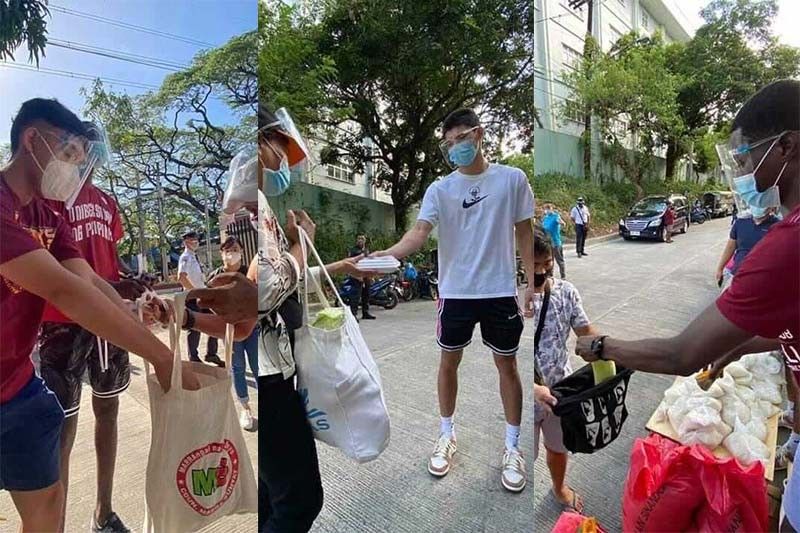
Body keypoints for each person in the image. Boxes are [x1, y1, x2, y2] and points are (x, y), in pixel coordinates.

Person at [575, 79, 800, 532]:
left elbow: (681, 354)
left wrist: (602, 346)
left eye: (745, 157)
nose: (742, 172)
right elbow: (786, 327)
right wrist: (735, 348)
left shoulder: (789, 243)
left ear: (787, 148)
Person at [0, 99, 200, 533]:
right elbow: (61, 290)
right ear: (32, 140)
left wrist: (131, 307)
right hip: (43, 348)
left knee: (46, 499)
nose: (74, 169)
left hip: (13, 382)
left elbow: (87, 279)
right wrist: (164, 358)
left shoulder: (50, 213)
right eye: (69, 154)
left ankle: (98, 514)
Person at [373, 108, 535, 492]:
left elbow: (525, 233)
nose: (453, 149)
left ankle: (513, 446)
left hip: (498, 291)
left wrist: (532, 282)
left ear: (478, 135)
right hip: (456, 293)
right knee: (449, 363)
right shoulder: (440, 190)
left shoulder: (512, 179)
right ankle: (446, 434)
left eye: (459, 140)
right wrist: (383, 258)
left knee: (507, 366)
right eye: (448, 144)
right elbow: (418, 234)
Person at [36, 121, 142, 533]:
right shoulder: (52, 200)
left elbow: (107, 257)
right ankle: (54, 523)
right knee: (63, 423)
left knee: (109, 407)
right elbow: (61, 268)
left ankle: (104, 511)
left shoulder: (107, 203)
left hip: (109, 320)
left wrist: (129, 280)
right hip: (62, 322)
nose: (88, 162)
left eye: (94, 153)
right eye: (80, 152)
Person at [532, 225, 600, 512]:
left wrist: (610, 354)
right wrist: (533, 389)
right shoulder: (505, 298)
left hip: (561, 391)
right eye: (534, 265)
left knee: (557, 448)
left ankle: (559, 487)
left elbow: (587, 335)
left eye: (546, 263)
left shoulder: (565, 293)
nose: (543, 271)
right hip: (524, 395)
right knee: (522, 455)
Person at [207, 236, 259, 431]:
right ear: (221, 254)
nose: (231, 253)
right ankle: (245, 408)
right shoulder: (215, 278)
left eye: (235, 249)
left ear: (242, 252)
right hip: (229, 331)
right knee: (237, 368)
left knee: (257, 366)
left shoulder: (250, 273)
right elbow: (208, 303)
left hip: (252, 329)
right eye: (227, 250)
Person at [178, 230, 224, 367]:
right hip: (192, 297)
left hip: (202, 295)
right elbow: (182, 277)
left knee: (215, 322)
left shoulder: (193, 257)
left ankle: (211, 354)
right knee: (195, 326)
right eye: (193, 240)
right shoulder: (185, 257)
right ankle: (193, 357)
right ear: (186, 242)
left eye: (197, 239)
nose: (196, 242)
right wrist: (195, 291)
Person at [714, 206, 779, 289]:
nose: (757, 205)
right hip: (737, 274)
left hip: (763, 280)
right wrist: (720, 268)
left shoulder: (777, 226)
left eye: (761, 203)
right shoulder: (740, 222)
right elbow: (730, 247)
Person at [349, 234, 376, 320]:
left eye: (362, 239)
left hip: (366, 275)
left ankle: (365, 312)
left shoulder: (367, 250)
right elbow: (350, 263)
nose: (360, 240)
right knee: (355, 296)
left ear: (365, 241)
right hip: (357, 275)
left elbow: (370, 262)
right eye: (359, 239)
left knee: (366, 295)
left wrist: (371, 276)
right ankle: (353, 314)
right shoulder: (353, 251)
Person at [541, 203, 566, 279]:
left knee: (559, 259)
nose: (546, 210)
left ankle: (563, 276)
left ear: (551, 209)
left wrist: (561, 223)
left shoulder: (556, 216)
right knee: (549, 260)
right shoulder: (545, 218)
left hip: (555, 242)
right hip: (547, 243)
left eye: (548, 208)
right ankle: (550, 275)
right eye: (545, 209)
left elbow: (562, 223)